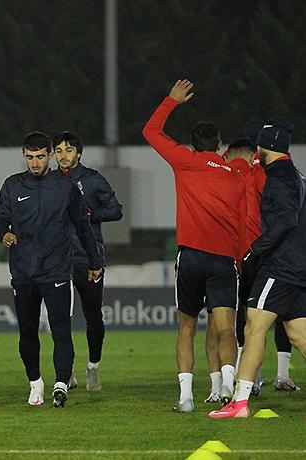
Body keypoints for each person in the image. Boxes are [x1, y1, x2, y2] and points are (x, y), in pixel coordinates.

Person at [142, 79, 242, 412]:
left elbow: (151, 132)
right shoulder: (233, 172)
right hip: (224, 259)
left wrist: (171, 100)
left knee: (186, 327)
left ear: (193, 146)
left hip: (191, 257)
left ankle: (186, 397)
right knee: (226, 327)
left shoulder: (186, 161)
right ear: (219, 145)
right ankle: (227, 385)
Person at [0, 131, 103, 408]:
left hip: (56, 271)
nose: (35, 163)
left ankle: (61, 384)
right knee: (27, 332)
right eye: (30, 157)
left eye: (40, 157)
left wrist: (94, 261)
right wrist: (3, 233)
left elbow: (83, 226)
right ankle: (35, 383)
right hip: (23, 272)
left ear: (50, 156)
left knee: (61, 330)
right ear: (23, 155)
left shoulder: (65, 187)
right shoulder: (12, 185)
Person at [210, 117, 306, 418]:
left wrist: (256, 250)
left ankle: (239, 402)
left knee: (254, 326)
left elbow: (286, 219)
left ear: (267, 147)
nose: (256, 151)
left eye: (259, 146)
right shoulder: (296, 175)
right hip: (297, 265)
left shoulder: (279, 178)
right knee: (299, 333)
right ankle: (240, 401)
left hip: (280, 267)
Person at [53, 130, 123, 391]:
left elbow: (116, 210)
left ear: (79, 154)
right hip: (58, 260)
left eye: (68, 150)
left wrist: (90, 214)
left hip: (88, 258)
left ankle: (93, 366)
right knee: (61, 317)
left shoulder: (92, 180)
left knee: (93, 316)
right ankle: (66, 372)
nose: (63, 155)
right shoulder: (49, 181)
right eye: (58, 150)